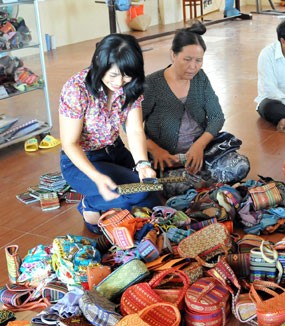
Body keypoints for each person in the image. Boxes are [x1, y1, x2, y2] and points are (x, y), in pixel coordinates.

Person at [59, 34, 162, 233]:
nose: (119, 82)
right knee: (124, 198)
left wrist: (142, 164)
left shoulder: (131, 86)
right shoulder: (76, 89)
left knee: (150, 194)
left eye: (126, 75)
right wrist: (96, 177)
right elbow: (70, 144)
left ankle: (100, 199)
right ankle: (90, 204)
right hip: (81, 161)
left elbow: (134, 129)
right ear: (99, 63)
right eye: (113, 75)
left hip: (115, 152)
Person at [142, 22, 250, 197]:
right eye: (187, 59)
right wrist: (156, 150)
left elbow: (217, 117)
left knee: (241, 165)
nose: (193, 66)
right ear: (173, 55)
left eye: (198, 60)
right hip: (169, 159)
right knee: (176, 186)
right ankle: (203, 183)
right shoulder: (152, 84)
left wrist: (199, 146)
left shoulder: (200, 78)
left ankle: (199, 183)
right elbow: (131, 126)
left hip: (202, 154)